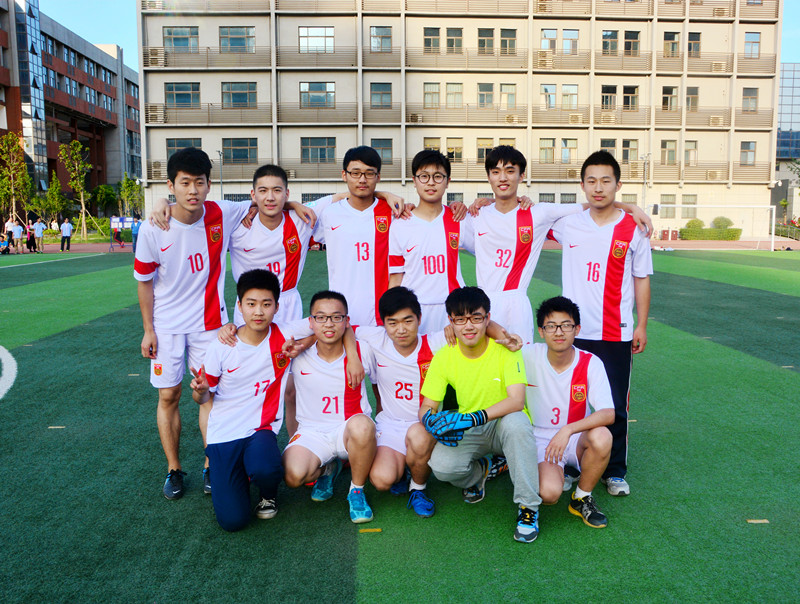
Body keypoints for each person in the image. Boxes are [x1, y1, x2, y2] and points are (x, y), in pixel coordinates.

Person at [134, 147, 251, 500]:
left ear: (209, 184)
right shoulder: (153, 228)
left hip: (210, 325)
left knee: (208, 393)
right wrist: (148, 329)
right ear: (171, 186)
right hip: (167, 326)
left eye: (199, 182)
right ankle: (173, 469)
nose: (193, 190)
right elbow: (143, 282)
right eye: (184, 183)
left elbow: (266, 198)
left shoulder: (221, 213)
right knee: (169, 394)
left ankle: (211, 464)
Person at [356, 286, 523, 518]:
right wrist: (352, 356)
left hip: (423, 425)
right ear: (383, 323)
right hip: (391, 425)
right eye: (392, 323)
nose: (401, 329)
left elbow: (474, 323)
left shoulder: (437, 342)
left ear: (419, 319)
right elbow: (340, 326)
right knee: (382, 480)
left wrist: (504, 335)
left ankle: (418, 488)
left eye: (408, 321)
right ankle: (404, 469)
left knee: (419, 436)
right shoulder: (375, 339)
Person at [467, 145, 652, 345]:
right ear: (488, 177)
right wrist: (465, 204)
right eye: (496, 172)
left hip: (517, 305)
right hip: (483, 305)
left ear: (521, 176)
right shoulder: (475, 216)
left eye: (510, 171)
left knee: (520, 360)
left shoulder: (539, 213)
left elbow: (593, 204)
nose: (503, 178)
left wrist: (631, 207)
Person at [549, 150, 653, 497]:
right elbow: (524, 211)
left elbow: (641, 278)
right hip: (572, 332)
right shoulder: (568, 224)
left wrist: (641, 325)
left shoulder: (634, 229)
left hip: (615, 331)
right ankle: (567, 463)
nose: (598, 188)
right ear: (582, 185)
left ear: (617, 185)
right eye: (591, 181)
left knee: (615, 404)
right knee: (570, 402)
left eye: (605, 181)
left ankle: (615, 470)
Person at [189, 269, 313, 531]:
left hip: (260, 429)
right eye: (251, 304)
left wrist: (305, 343)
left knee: (266, 468)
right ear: (239, 306)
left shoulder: (284, 334)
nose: (258, 312)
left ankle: (267, 493)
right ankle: (236, 474)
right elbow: (202, 398)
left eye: (266, 304)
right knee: (233, 521)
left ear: (277, 307)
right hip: (224, 435)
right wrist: (200, 390)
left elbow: (327, 324)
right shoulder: (222, 346)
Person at [419, 286, 542, 543]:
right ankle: (481, 472)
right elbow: (428, 405)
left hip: (503, 423)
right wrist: (430, 421)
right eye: (460, 319)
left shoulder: (506, 350)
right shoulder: (443, 357)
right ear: (450, 321)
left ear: (488, 318)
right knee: (441, 466)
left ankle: (528, 507)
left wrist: (475, 417)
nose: (469, 326)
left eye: (476, 317)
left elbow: (516, 400)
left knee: (518, 424)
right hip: (470, 427)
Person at [282, 290, 378, 524]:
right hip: (312, 432)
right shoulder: (296, 352)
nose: (328, 323)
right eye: (321, 317)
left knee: (363, 426)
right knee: (293, 476)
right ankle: (328, 469)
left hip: (348, 430)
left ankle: (356, 490)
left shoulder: (363, 350)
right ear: (310, 322)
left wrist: (352, 354)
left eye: (336, 317)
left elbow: (380, 385)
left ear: (346, 320)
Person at [524, 296, 614, 528]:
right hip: (541, 438)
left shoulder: (590, 362)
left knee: (602, 436)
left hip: (575, 437)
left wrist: (567, 430)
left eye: (566, 325)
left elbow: (608, 413)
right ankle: (555, 472)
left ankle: (581, 497)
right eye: (551, 326)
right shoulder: (527, 355)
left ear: (577, 329)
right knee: (549, 494)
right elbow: (495, 342)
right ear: (541, 331)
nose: (559, 332)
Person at [388, 150, 470, 333]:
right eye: (424, 176)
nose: (431, 182)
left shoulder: (459, 219)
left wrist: (486, 200)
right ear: (414, 180)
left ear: (448, 181)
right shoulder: (400, 225)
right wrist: (391, 313)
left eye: (438, 176)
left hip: (452, 311)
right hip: (413, 311)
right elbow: (396, 277)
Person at [229, 164, 313, 326]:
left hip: (287, 304)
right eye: (263, 191)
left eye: (277, 190)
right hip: (249, 303)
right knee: (249, 343)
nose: (270, 197)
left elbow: (343, 198)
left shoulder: (301, 219)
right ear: (253, 194)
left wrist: (293, 204)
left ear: (286, 193)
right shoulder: (236, 223)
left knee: (289, 343)